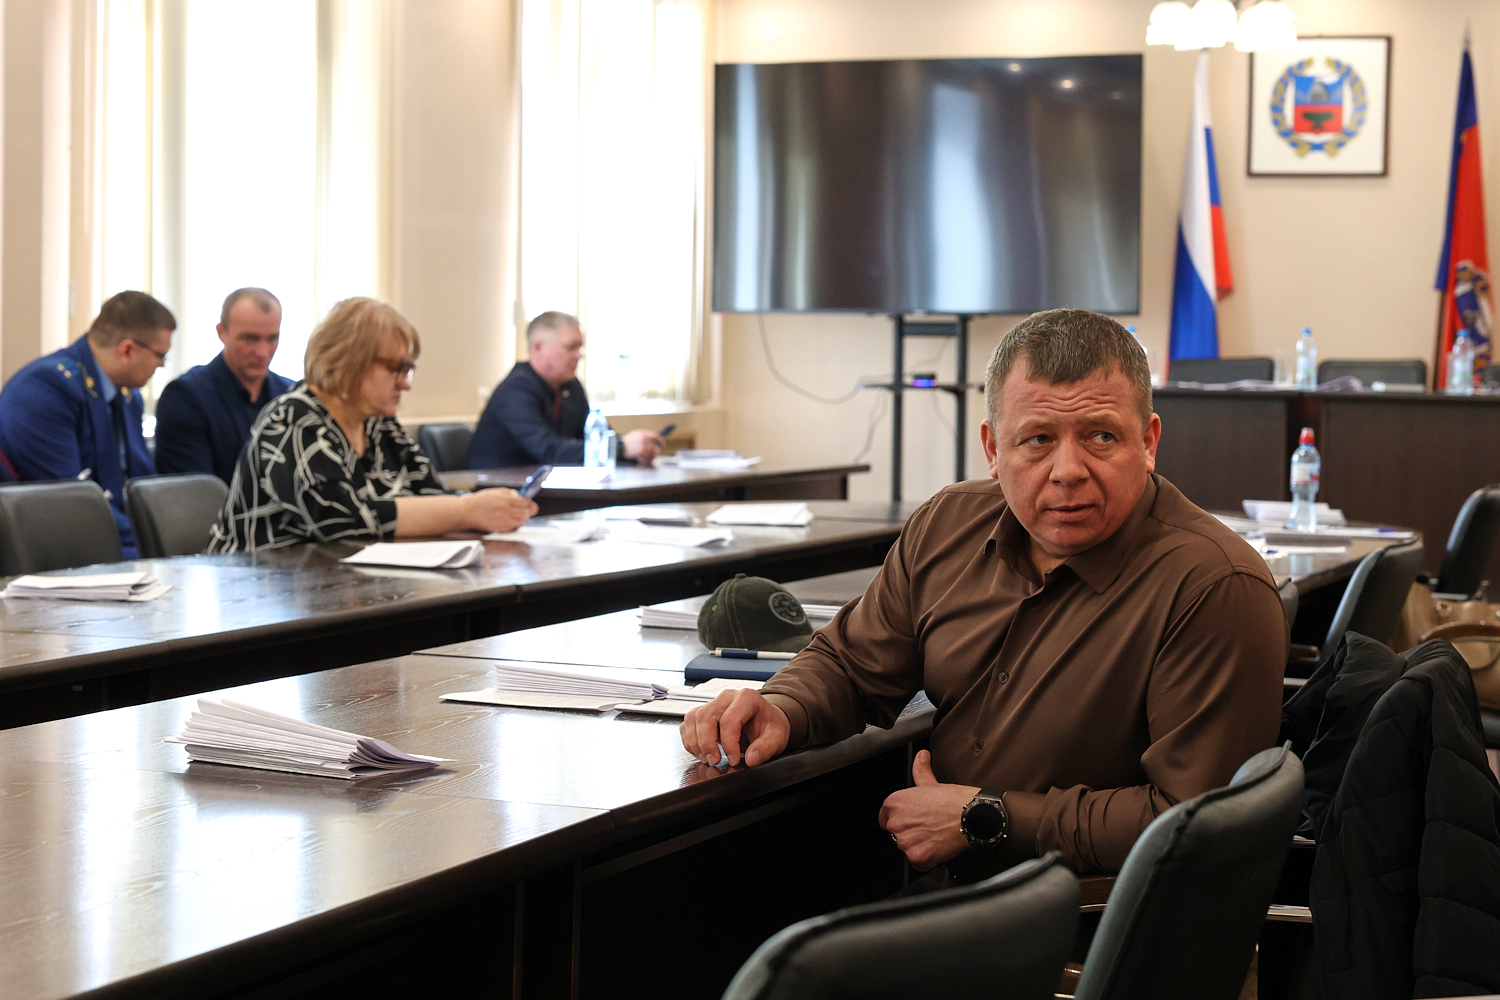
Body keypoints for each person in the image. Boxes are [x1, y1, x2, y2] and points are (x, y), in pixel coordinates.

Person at [681, 308, 1287, 877]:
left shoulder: (1214, 586)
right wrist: (782, 708)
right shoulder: (948, 524)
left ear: (1148, 442)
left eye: (1101, 437)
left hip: (1088, 914)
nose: (1068, 470)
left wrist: (984, 817)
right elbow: (851, 663)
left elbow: (1197, 822)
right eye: (1038, 439)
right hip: (946, 887)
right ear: (994, 449)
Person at [207, 297, 536, 552]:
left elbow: (431, 492)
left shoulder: (379, 424)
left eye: (409, 370)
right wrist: (465, 511)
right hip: (259, 595)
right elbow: (338, 520)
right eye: (396, 369)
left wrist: (489, 509)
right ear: (348, 361)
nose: (405, 383)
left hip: (346, 587)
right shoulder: (292, 421)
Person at [0, 290, 176, 559]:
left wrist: (168, 532)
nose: (160, 366)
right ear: (127, 350)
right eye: (161, 356)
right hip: (64, 548)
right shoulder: (46, 389)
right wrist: (156, 542)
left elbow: (144, 487)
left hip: (119, 542)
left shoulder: (128, 396)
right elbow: (69, 503)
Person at [465, 311, 664, 468]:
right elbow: (549, 451)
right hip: (499, 492)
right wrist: (620, 447)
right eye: (570, 348)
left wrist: (635, 451)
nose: (579, 356)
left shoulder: (570, 387)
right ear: (538, 347)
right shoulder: (515, 391)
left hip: (552, 489)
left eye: (580, 348)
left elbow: (592, 437)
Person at [154, 287, 294, 483]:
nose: (263, 352)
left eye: (272, 338)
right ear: (222, 332)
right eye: (250, 339)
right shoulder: (186, 397)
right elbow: (195, 493)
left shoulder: (290, 396)